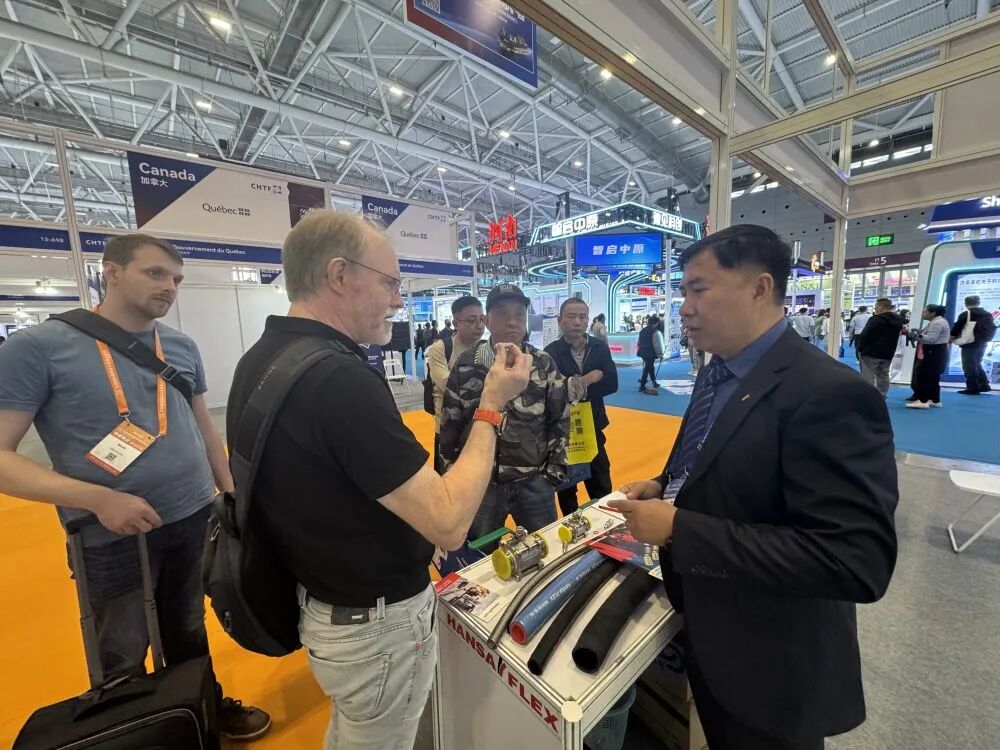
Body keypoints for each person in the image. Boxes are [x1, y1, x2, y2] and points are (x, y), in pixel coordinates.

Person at [226, 212, 531, 750]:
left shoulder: (260, 359)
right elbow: (449, 522)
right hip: (375, 626)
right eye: (390, 282)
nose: (397, 300)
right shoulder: (339, 380)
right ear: (339, 275)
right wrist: (491, 405)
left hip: (324, 602)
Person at [608, 224, 898, 750]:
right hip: (709, 629)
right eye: (683, 292)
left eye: (699, 289)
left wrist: (680, 528)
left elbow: (856, 560)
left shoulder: (830, 394)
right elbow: (707, 460)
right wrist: (664, 484)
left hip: (772, 664)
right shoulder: (716, 372)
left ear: (761, 288)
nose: (684, 308)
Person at [0, 234, 270, 741]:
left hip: (192, 516)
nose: (170, 286)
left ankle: (201, 711)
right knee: (121, 648)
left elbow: (204, 429)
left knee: (189, 627)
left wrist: (233, 496)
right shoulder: (38, 348)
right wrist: (98, 499)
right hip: (107, 532)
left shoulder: (181, 346)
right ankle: (132, 732)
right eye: (155, 273)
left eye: (177, 279)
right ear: (112, 272)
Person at [439, 283, 568, 549]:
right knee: (480, 556)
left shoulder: (543, 363)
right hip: (481, 485)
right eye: (502, 313)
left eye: (519, 313)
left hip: (534, 481)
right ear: (487, 320)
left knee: (545, 551)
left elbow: (560, 418)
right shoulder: (467, 364)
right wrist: (452, 474)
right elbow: (450, 422)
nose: (512, 321)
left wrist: (552, 474)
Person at [545, 298, 619, 515]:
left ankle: (605, 525)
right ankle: (572, 529)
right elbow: (552, 393)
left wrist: (573, 388)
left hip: (593, 427)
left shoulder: (599, 347)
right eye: (571, 316)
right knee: (567, 491)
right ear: (559, 320)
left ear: (588, 320)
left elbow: (612, 383)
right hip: (563, 431)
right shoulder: (550, 352)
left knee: (602, 485)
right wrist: (587, 380)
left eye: (582, 317)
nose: (577, 322)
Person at [427, 296, 485, 472]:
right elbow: (448, 386)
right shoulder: (441, 348)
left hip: (480, 427)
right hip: (448, 429)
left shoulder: (487, 348)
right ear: (456, 323)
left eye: (482, 319)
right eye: (471, 320)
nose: (479, 325)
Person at [855, 298, 904, 398]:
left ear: (881, 307)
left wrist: (859, 348)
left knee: (868, 376)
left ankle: (868, 396)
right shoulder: (898, 319)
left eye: (876, 306)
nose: (875, 308)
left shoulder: (875, 319)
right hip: (888, 352)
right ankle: (882, 395)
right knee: (884, 375)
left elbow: (865, 335)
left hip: (871, 352)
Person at [950, 294, 997, 395]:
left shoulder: (966, 314)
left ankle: (972, 387)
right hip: (983, 342)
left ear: (966, 304)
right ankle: (984, 385)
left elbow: (956, 328)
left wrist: (950, 339)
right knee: (977, 363)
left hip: (969, 342)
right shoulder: (987, 314)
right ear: (979, 303)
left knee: (969, 365)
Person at [906, 304, 950, 409]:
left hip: (933, 352)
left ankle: (922, 401)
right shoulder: (939, 321)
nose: (923, 313)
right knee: (933, 378)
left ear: (933, 313)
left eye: (925, 311)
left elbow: (931, 339)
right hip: (937, 352)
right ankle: (935, 400)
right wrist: (920, 332)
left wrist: (916, 336)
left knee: (924, 377)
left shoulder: (937, 323)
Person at [637, 314, 664, 391]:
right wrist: (660, 354)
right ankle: (642, 386)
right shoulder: (655, 332)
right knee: (647, 368)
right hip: (650, 353)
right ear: (656, 323)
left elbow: (639, 342)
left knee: (650, 367)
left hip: (642, 352)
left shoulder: (642, 331)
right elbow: (657, 345)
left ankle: (654, 382)